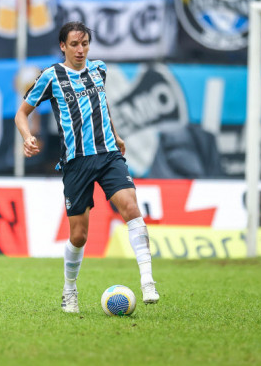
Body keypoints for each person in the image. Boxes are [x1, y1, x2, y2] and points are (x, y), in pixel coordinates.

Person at [14, 21, 159, 313]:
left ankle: (147, 282)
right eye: (75, 45)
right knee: (79, 235)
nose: (81, 50)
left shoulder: (99, 69)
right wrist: (27, 137)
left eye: (85, 44)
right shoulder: (51, 76)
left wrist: (115, 135)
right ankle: (70, 289)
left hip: (107, 155)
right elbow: (22, 113)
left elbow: (102, 106)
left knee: (131, 208)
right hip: (76, 163)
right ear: (63, 46)